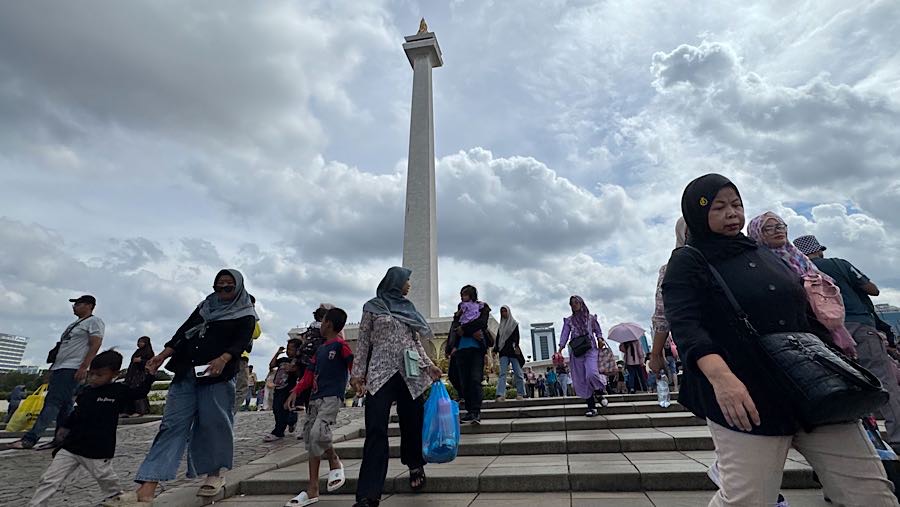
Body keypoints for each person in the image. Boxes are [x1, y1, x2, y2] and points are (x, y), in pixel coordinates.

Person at [662, 173, 896, 506]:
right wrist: (723, 379)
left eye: (737, 204)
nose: (732, 214)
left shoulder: (763, 253)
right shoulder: (689, 261)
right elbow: (687, 327)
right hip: (748, 393)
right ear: (697, 214)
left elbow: (803, 313)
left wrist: (834, 362)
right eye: (719, 207)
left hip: (814, 387)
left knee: (869, 491)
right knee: (748, 499)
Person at [112, 269, 257, 504]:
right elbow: (183, 332)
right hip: (186, 372)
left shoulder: (245, 313)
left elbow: (241, 340)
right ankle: (147, 487)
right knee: (171, 426)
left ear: (238, 287)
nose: (222, 291)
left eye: (228, 287)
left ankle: (213, 474)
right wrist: (162, 355)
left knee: (214, 424)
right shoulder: (205, 306)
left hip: (216, 376)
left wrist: (224, 358)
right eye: (218, 287)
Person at [796, 233, 900, 451]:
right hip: (859, 326)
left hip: (826, 336)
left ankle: (865, 441)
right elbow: (873, 289)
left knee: (850, 387)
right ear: (820, 249)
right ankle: (897, 436)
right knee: (883, 382)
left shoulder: (798, 272)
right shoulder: (838, 264)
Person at [350, 267, 443, 507]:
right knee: (376, 429)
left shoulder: (408, 309)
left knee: (412, 423)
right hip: (380, 373)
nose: (409, 284)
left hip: (409, 373)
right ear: (395, 282)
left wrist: (429, 366)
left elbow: (415, 342)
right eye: (406, 280)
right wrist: (357, 374)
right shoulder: (372, 307)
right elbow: (362, 342)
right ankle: (369, 493)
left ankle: (415, 465)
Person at [31, 350, 151, 507]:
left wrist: (151, 374)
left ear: (115, 374)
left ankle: (117, 499)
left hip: (98, 450)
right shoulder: (86, 392)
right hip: (71, 447)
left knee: (106, 479)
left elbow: (140, 392)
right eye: (91, 374)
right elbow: (76, 414)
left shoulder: (119, 391)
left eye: (99, 375)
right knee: (49, 479)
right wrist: (63, 432)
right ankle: (36, 504)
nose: (93, 378)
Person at [748, 213, 856, 356]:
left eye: (780, 226)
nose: (778, 230)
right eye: (768, 228)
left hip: (823, 319)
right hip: (796, 327)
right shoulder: (757, 261)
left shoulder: (798, 257)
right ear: (756, 233)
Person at [12, 295, 105, 450]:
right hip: (60, 367)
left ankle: (30, 439)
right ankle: (62, 438)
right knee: (65, 406)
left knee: (53, 402)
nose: (74, 306)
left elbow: (95, 344)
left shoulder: (94, 322)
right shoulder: (74, 324)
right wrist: (51, 369)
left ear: (89, 305)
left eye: (78, 304)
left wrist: (84, 366)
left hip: (72, 367)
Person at [284, 308, 353, 506]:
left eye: (322, 322)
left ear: (328, 324)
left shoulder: (341, 346)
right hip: (315, 398)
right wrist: (296, 391)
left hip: (331, 397)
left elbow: (351, 364)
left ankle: (328, 467)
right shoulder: (319, 351)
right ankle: (315, 484)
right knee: (311, 437)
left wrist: (356, 380)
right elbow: (308, 374)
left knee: (317, 433)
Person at [650, 217, 687, 385]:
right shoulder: (672, 269)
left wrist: (656, 354)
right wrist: (656, 354)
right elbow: (662, 314)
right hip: (699, 346)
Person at [447, 285, 492, 424]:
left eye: (465, 294)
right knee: (464, 381)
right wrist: (452, 346)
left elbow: (482, 323)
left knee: (475, 379)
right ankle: (469, 411)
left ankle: (476, 412)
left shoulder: (482, 307)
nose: (462, 296)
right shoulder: (461, 309)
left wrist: (465, 330)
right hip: (461, 350)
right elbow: (455, 327)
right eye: (461, 294)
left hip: (476, 349)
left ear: (472, 295)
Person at [558, 296, 609, 417]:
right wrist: (560, 348)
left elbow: (598, 331)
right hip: (577, 352)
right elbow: (564, 334)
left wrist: (600, 339)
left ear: (581, 303)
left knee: (592, 373)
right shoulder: (569, 320)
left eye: (576, 302)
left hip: (590, 349)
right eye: (572, 304)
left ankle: (599, 392)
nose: (574, 305)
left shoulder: (590, 318)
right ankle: (591, 407)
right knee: (583, 379)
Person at [265, 339, 301, 442]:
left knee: (286, 409)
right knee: (277, 409)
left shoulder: (297, 362)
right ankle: (284, 426)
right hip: (278, 387)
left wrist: (294, 369)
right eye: (288, 349)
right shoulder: (283, 360)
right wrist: (277, 353)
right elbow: (272, 365)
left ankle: (279, 431)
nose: (289, 351)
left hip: (289, 389)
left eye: (291, 349)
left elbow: (299, 374)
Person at [234, 295, 261, 415]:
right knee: (241, 388)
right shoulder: (248, 316)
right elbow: (256, 333)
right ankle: (229, 412)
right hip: (240, 356)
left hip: (226, 355)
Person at [494, 305, 526, 401]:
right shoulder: (501, 326)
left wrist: (516, 346)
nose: (503, 313)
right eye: (502, 312)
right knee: (502, 374)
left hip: (512, 351)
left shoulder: (514, 324)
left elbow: (517, 337)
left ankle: (520, 393)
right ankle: (501, 394)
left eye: (505, 311)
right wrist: (495, 349)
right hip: (503, 351)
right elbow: (498, 339)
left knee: (518, 373)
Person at [121, 336, 155, 417]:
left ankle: (140, 411)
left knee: (139, 392)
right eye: (139, 342)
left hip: (141, 375)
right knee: (128, 391)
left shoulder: (149, 352)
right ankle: (128, 411)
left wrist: (141, 361)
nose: (139, 343)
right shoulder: (137, 351)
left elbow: (151, 362)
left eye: (141, 342)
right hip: (132, 374)